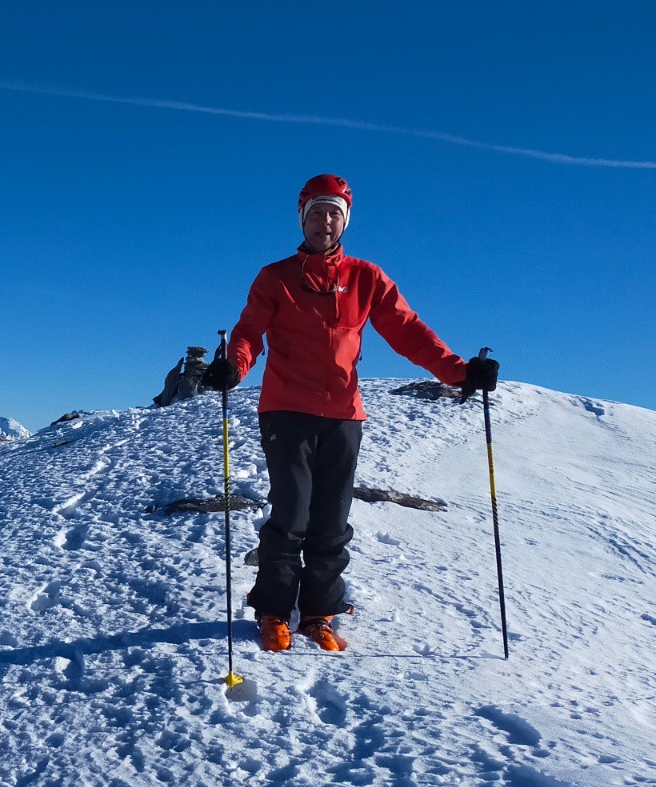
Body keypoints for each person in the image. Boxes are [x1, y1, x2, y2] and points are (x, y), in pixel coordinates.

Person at [200, 174, 498, 652]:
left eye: (334, 212)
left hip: (343, 415)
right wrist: (234, 368)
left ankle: (319, 613)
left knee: (332, 519)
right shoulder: (274, 277)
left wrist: (460, 373)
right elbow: (250, 332)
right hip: (285, 410)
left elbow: (408, 331)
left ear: (345, 221)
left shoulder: (366, 277)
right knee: (291, 513)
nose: (325, 220)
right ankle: (274, 610)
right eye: (317, 211)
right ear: (302, 218)